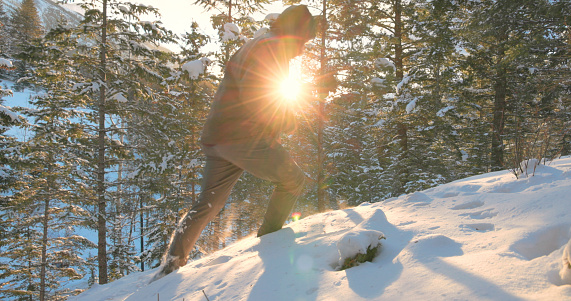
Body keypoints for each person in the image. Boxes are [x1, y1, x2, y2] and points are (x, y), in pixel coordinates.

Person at [152, 5, 317, 280]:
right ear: (295, 33)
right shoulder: (271, 48)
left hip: (219, 136)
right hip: (241, 136)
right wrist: (285, 121)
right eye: (304, 41)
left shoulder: (264, 43)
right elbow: (259, 94)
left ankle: (172, 264)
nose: (303, 49)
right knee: (293, 180)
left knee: (208, 203)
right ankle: (270, 242)